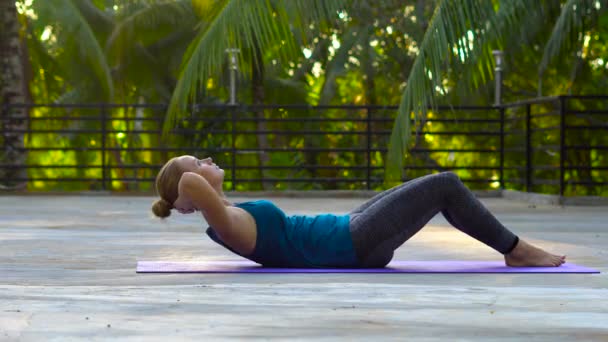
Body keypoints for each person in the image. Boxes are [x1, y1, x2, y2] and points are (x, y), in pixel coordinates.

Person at [151, 155, 566, 268]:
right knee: (446, 184)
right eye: (198, 162)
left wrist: (192, 180)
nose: (206, 162)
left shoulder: (230, 216)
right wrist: (182, 187)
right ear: (194, 196)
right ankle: (515, 249)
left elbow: (192, 186)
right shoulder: (224, 226)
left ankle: (513, 248)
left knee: (427, 187)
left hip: (348, 228)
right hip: (353, 242)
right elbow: (187, 186)